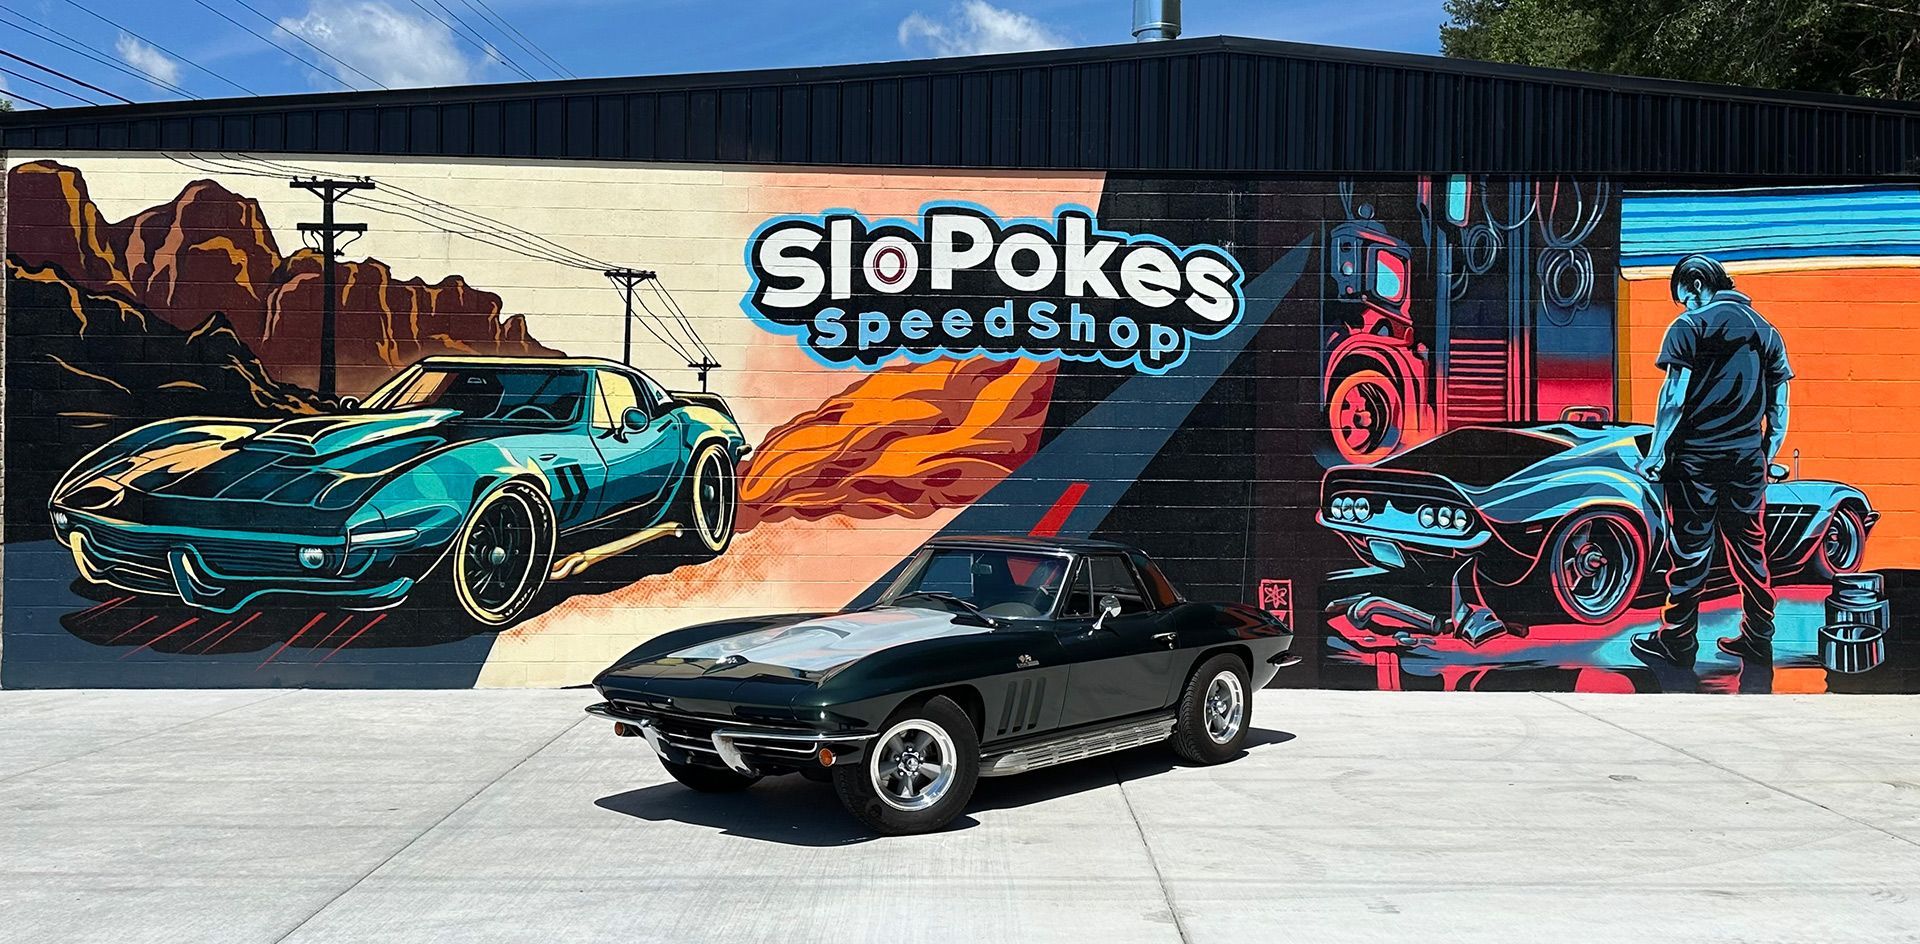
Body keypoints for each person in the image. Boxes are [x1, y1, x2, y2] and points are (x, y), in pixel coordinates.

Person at [1631, 254, 1792, 665]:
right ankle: (1759, 636)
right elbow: (1780, 405)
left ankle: (1679, 641)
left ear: (1698, 284)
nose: (1686, 306)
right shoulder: (1767, 332)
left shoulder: (1689, 326)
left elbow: (1673, 397)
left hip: (1695, 461)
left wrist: (1655, 453)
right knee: (1751, 551)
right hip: (1746, 461)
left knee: (1690, 550)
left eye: (1685, 298)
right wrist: (1767, 453)